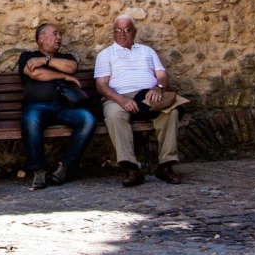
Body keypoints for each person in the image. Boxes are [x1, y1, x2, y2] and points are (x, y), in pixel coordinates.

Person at [94, 15, 182, 187]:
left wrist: (158, 87)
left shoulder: (147, 51)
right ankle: (131, 168)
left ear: (134, 32)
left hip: (149, 95)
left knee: (171, 112)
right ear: (113, 33)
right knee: (113, 115)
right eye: (118, 30)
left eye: (127, 30)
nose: (122, 34)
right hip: (118, 97)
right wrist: (121, 100)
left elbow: (162, 75)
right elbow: (101, 85)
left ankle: (166, 165)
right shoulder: (106, 54)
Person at [18, 23, 96, 189]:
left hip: (64, 107)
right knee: (31, 120)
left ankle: (65, 166)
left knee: (88, 119)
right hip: (37, 106)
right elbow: (35, 73)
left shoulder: (65, 57)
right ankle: (38, 170)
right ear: (41, 38)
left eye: (59, 34)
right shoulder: (27, 56)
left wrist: (46, 60)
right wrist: (63, 76)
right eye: (55, 34)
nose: (59, 38)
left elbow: (72, 67)